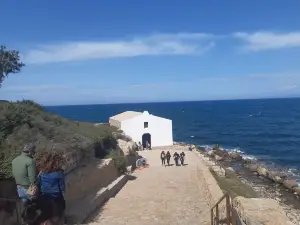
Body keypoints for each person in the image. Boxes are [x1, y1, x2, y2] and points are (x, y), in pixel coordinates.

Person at [38, 152, 66, 224]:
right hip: (56, 196)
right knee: (58, 215)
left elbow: (39, 183)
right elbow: (62, 187)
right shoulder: (59, 173)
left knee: (46, 215)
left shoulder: (42, 173)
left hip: (44, 196)